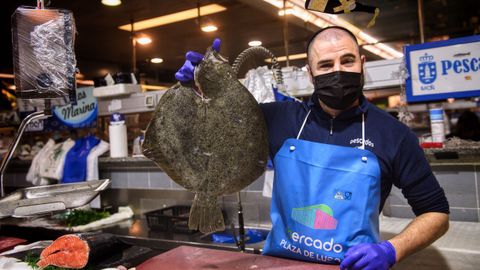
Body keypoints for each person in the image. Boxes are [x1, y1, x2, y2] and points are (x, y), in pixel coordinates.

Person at [175, 26, 449, 270]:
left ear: (362, 63)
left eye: (348, 60)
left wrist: (391, 249)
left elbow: (436, 212)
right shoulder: (275, 119)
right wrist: (197, 91)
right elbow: (208, 132)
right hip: (280, 263)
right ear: (310, 73)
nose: (338, 71)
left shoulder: (393, 134)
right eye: (326, 65)